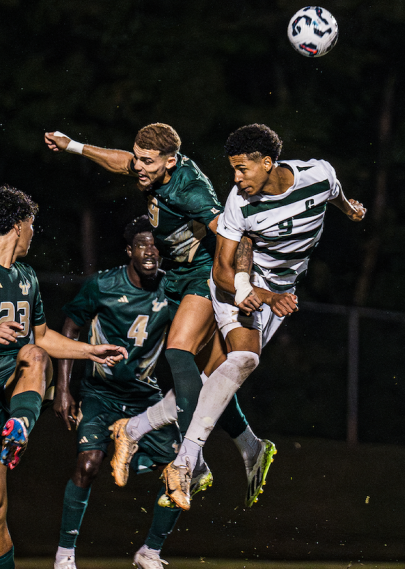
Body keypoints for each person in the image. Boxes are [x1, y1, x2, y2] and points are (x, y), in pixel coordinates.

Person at [44, 124, 274, 507]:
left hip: (203, 274)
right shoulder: (152, 168)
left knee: (177, 350)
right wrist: (74, 146)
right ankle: (250, 446)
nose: (139, 167)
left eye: (148, 161)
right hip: (178, 277)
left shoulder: (190, 189)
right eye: (139, 158)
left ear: (170, 161)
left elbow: (234, 233)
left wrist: (244, 282)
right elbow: (123, 163)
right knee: (203, 376)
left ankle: (190, 462)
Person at [162, 123, 366, 510]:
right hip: (241, 285)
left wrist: (351, 210)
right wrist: (255, 293)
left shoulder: (318, 174)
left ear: (269, 163)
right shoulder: (238, 201)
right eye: (233, 170)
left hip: (278, 292)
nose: (236, 179)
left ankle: (140, 429)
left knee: (216, 378)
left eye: (243, 169)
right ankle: (184, 462)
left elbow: (335, 193)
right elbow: (223, 269)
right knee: (244, 358)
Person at [0, 186, 127, 569]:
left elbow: (42, 336)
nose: (33, 233)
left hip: (18, 389)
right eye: (31, 226)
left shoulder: (27, 276)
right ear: (17, 225)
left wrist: (90, 350)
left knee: (33, 352)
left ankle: (20, 427)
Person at [52, 216, 183, 569]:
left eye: (155, 245)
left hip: (145, 398)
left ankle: (150, 552)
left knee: (180, 470)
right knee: (88, 464)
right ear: (129, 251)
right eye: (142, 244)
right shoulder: (103, 284)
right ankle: (65, 556)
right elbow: (71, 327)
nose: (150, 251)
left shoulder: (173, 288)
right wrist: (62, 389)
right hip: (100, 392)